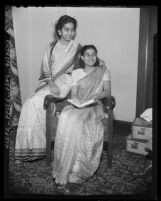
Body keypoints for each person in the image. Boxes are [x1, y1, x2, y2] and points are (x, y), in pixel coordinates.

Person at [15, 15, 82, 163]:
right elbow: (45, 70)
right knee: (30, 103)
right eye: (66, 30)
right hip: (51, 82)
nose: (69, 33)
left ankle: (33, 149)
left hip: (67, 82)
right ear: (59, 31)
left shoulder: (78, 48)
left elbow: (79, 71)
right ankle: (27, 150)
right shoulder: (50, 47)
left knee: (36, 102)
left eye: (72, 30)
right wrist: (51, 83)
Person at [52, 45, 111, 192]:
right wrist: (78, 101)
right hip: (79, 105)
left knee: (81, 124)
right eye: (87, 55)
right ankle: (64, 167)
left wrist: (97, 96)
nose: (91, 58)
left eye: (93, 55)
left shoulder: (103, 71)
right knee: (65, 116)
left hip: (94, 105)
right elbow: (74, 94)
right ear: (82, 57)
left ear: (96, 56)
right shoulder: (76, 73)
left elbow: (108, 91)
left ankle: (77, 174)